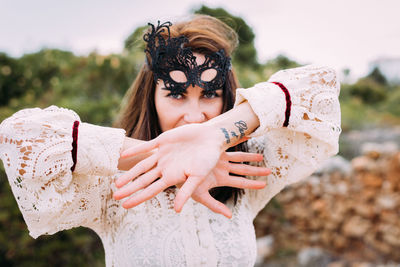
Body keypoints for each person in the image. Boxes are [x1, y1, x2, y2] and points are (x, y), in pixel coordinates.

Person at [0, 15, 341, 266]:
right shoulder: (112, 185)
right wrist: (162, 158)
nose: (194, 116)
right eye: (177, 95)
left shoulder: (245, 169)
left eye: (210, 94)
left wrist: (216, 135)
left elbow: (319, 85)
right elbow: (21, 136)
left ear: (228, 98)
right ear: (152, 99)